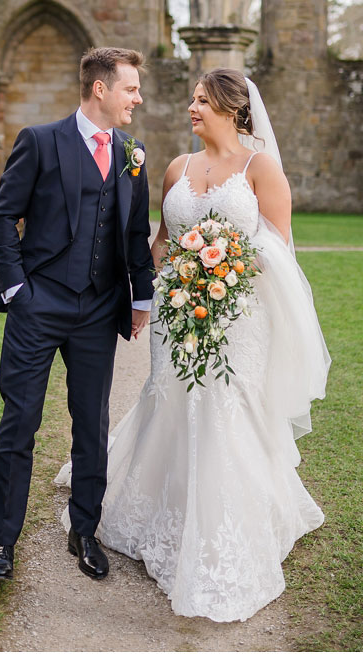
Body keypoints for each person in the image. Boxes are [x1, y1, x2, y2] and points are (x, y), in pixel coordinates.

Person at [64, 68, 330, 621]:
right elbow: (161, 241)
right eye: (192, 98)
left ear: (233, 110)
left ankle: (220, 530)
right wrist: (142, 296)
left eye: (203, 100)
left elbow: (280, 251)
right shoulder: (177, 169)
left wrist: (223, 270)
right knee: (171, 400)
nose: (192, 107)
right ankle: (163, 512)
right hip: (176, 312)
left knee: (222, 415)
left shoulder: (263, 171)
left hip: (236, 317)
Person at [0, 47, 157, 582]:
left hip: (100, 309)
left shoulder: (132, 152)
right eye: (130, 88)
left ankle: (85, 529)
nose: (138, 98)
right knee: (20, 422)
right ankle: (3, 543)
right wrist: (16, 291)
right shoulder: (40, 141)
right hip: (38, 305)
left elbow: (132, 234)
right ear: (99, 88)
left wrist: (140, 299)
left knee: (91, 423)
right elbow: (3, 218)